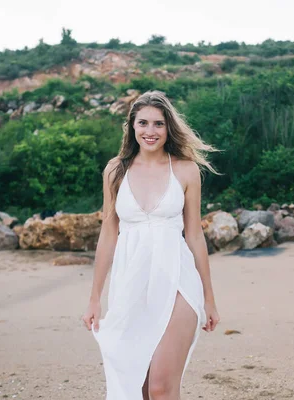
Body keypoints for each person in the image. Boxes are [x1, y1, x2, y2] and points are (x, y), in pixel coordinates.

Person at [82, 90, 221, 399]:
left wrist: (209, 298)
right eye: (143, 123)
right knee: (139, 386)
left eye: (158, 124)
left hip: (178, 282)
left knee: (160, 388)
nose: (150, 131)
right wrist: (94, 298)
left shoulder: (185, 170)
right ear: (132, 126)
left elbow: (195, 235)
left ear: (168, 127)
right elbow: (108, 234)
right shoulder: (116, 171)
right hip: (131, 285)